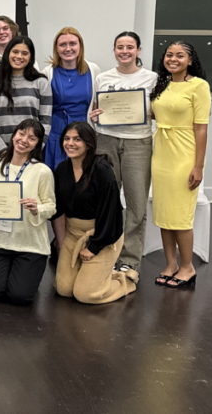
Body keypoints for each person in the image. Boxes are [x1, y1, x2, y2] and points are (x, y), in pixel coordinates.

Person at [88, 32, 156, 280]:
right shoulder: (103, 78)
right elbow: (92, 111)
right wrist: (94, 117)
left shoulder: (152, 79)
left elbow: (158, 112)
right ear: (114, 50)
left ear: (138, 50)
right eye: (120, 47)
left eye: (130, 47)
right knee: (106, 199)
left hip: (138, 142)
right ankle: (106, 250)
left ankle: (129, 260)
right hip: (105, 140)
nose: (124, 51)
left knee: (136, 202)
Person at [52, 122, 136, 304]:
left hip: (103, 235)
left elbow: (112, 213)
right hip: (73, 233)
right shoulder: (61, 170)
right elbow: (57, 208)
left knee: (85, 294)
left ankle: (124, 280)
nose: (70, 143)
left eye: (77, 139)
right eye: (67, 139)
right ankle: (98, 274)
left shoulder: (102, 170)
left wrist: (94, 247)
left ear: (89, 143)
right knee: (64, 289)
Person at [149, 41, 211, 289]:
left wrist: (199, 166)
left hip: (183, 155)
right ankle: (171, 263)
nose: (173, 59)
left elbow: (201, 128)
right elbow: (153, 114)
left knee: (181, 217)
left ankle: (187, 267)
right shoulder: (161, 84)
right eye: (169, 55)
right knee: (164, 214)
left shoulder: (199, 86)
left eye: (180, 55)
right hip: (161, 155)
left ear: (190, 60)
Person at [0, 119, 56, 305]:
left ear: (37, 144)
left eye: (32, 138)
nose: (24, 140)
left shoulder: (42, 171)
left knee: (20, 297)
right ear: (14, 135)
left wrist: (37, 207)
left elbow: (51, 207)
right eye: (21, 134)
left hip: (30, 245)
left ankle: (24, 277)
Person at [0, 36, 52, 155]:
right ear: (8, 54)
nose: (19, 56)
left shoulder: (41, 83)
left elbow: (45, 121)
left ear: (31, 58)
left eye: (24, 53)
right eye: (15, 52)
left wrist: (33, 149)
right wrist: (2, 151)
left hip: (30, 154)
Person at [42, 27, 101, 168]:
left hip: (84, 130)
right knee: (57, 176)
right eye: (63, 45)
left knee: (83, 174)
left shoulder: (93, 70)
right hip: (56, 132)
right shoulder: (47, 73)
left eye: (73, 44)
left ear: (80, 46)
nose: (68, 48)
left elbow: (97, 102)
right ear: (56, 48)